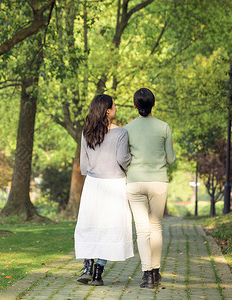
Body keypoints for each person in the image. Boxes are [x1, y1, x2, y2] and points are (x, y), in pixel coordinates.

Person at [74, 94, 133, 286]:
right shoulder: (121, 133)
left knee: (89, 225)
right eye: (114, 106)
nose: (116, 109)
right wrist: (133, 159)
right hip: (114, 184)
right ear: (108, 111)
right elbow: (123, 159)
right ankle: (98, 273)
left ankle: (87, 268)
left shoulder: (86, 132)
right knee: (110, 228)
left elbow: (83, 164)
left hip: (93, 184)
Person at [124, 88, 176, 288]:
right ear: (153, 104)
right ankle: (155, 272)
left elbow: (124, 157)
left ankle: (147, 276)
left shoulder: (128, 128)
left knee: (142, 230)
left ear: (135, 106)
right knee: (155, 227)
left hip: (135, 182)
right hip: (158, 182)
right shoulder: (164, 127)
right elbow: (170, 159)